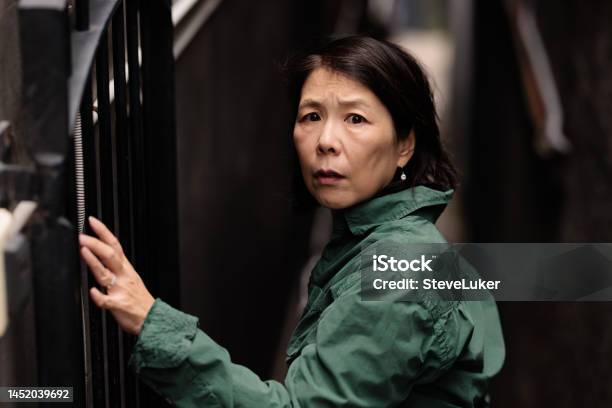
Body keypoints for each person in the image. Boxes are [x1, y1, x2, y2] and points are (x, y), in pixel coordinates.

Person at [79, 35, 505, 407]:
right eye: (311, 116)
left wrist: (152, 323)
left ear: (405, 145)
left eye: (355, 119)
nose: (326, 142)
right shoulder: (399, 242)